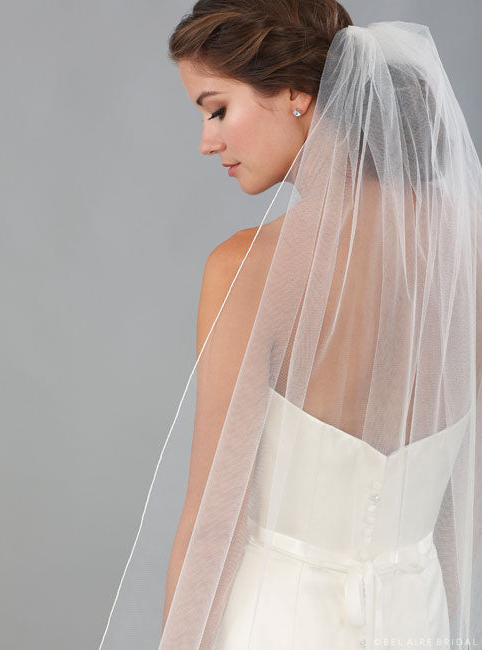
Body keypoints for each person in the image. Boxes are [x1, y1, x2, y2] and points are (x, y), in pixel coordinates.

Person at [97, 2, 482, 649]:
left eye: (217, 109)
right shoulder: (468, 251)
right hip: (418, 619)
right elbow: (456, 506)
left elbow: (214, 524)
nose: (206, 141)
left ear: (298, 94)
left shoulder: (247, 270)